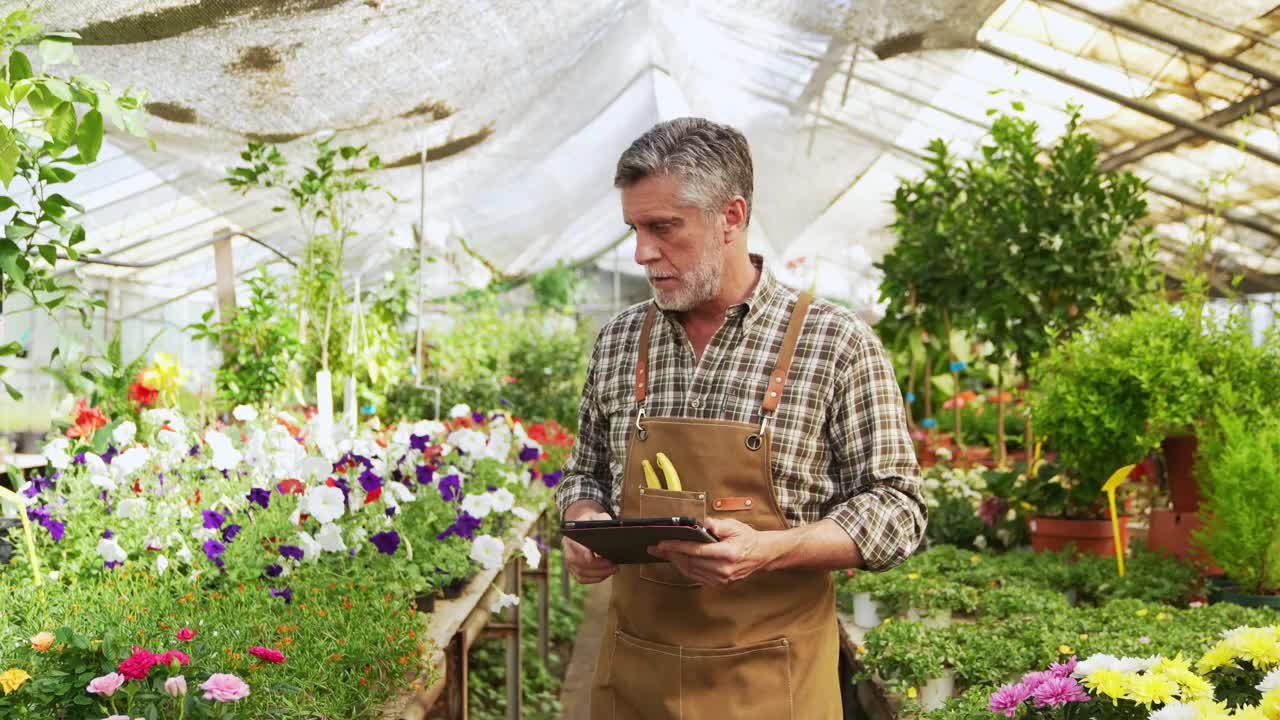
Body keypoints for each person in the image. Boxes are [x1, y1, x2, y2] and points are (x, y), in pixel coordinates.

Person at [556, 117, 926, 719]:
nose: (642, 252)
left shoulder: (835, 344)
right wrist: (583, 519)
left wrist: (773, 549)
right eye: (634, 228)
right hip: (637, 678)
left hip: (773, 683)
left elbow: (897, 509)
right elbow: (584, 472)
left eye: (663, 228)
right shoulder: (620, 343)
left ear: (730, 216)